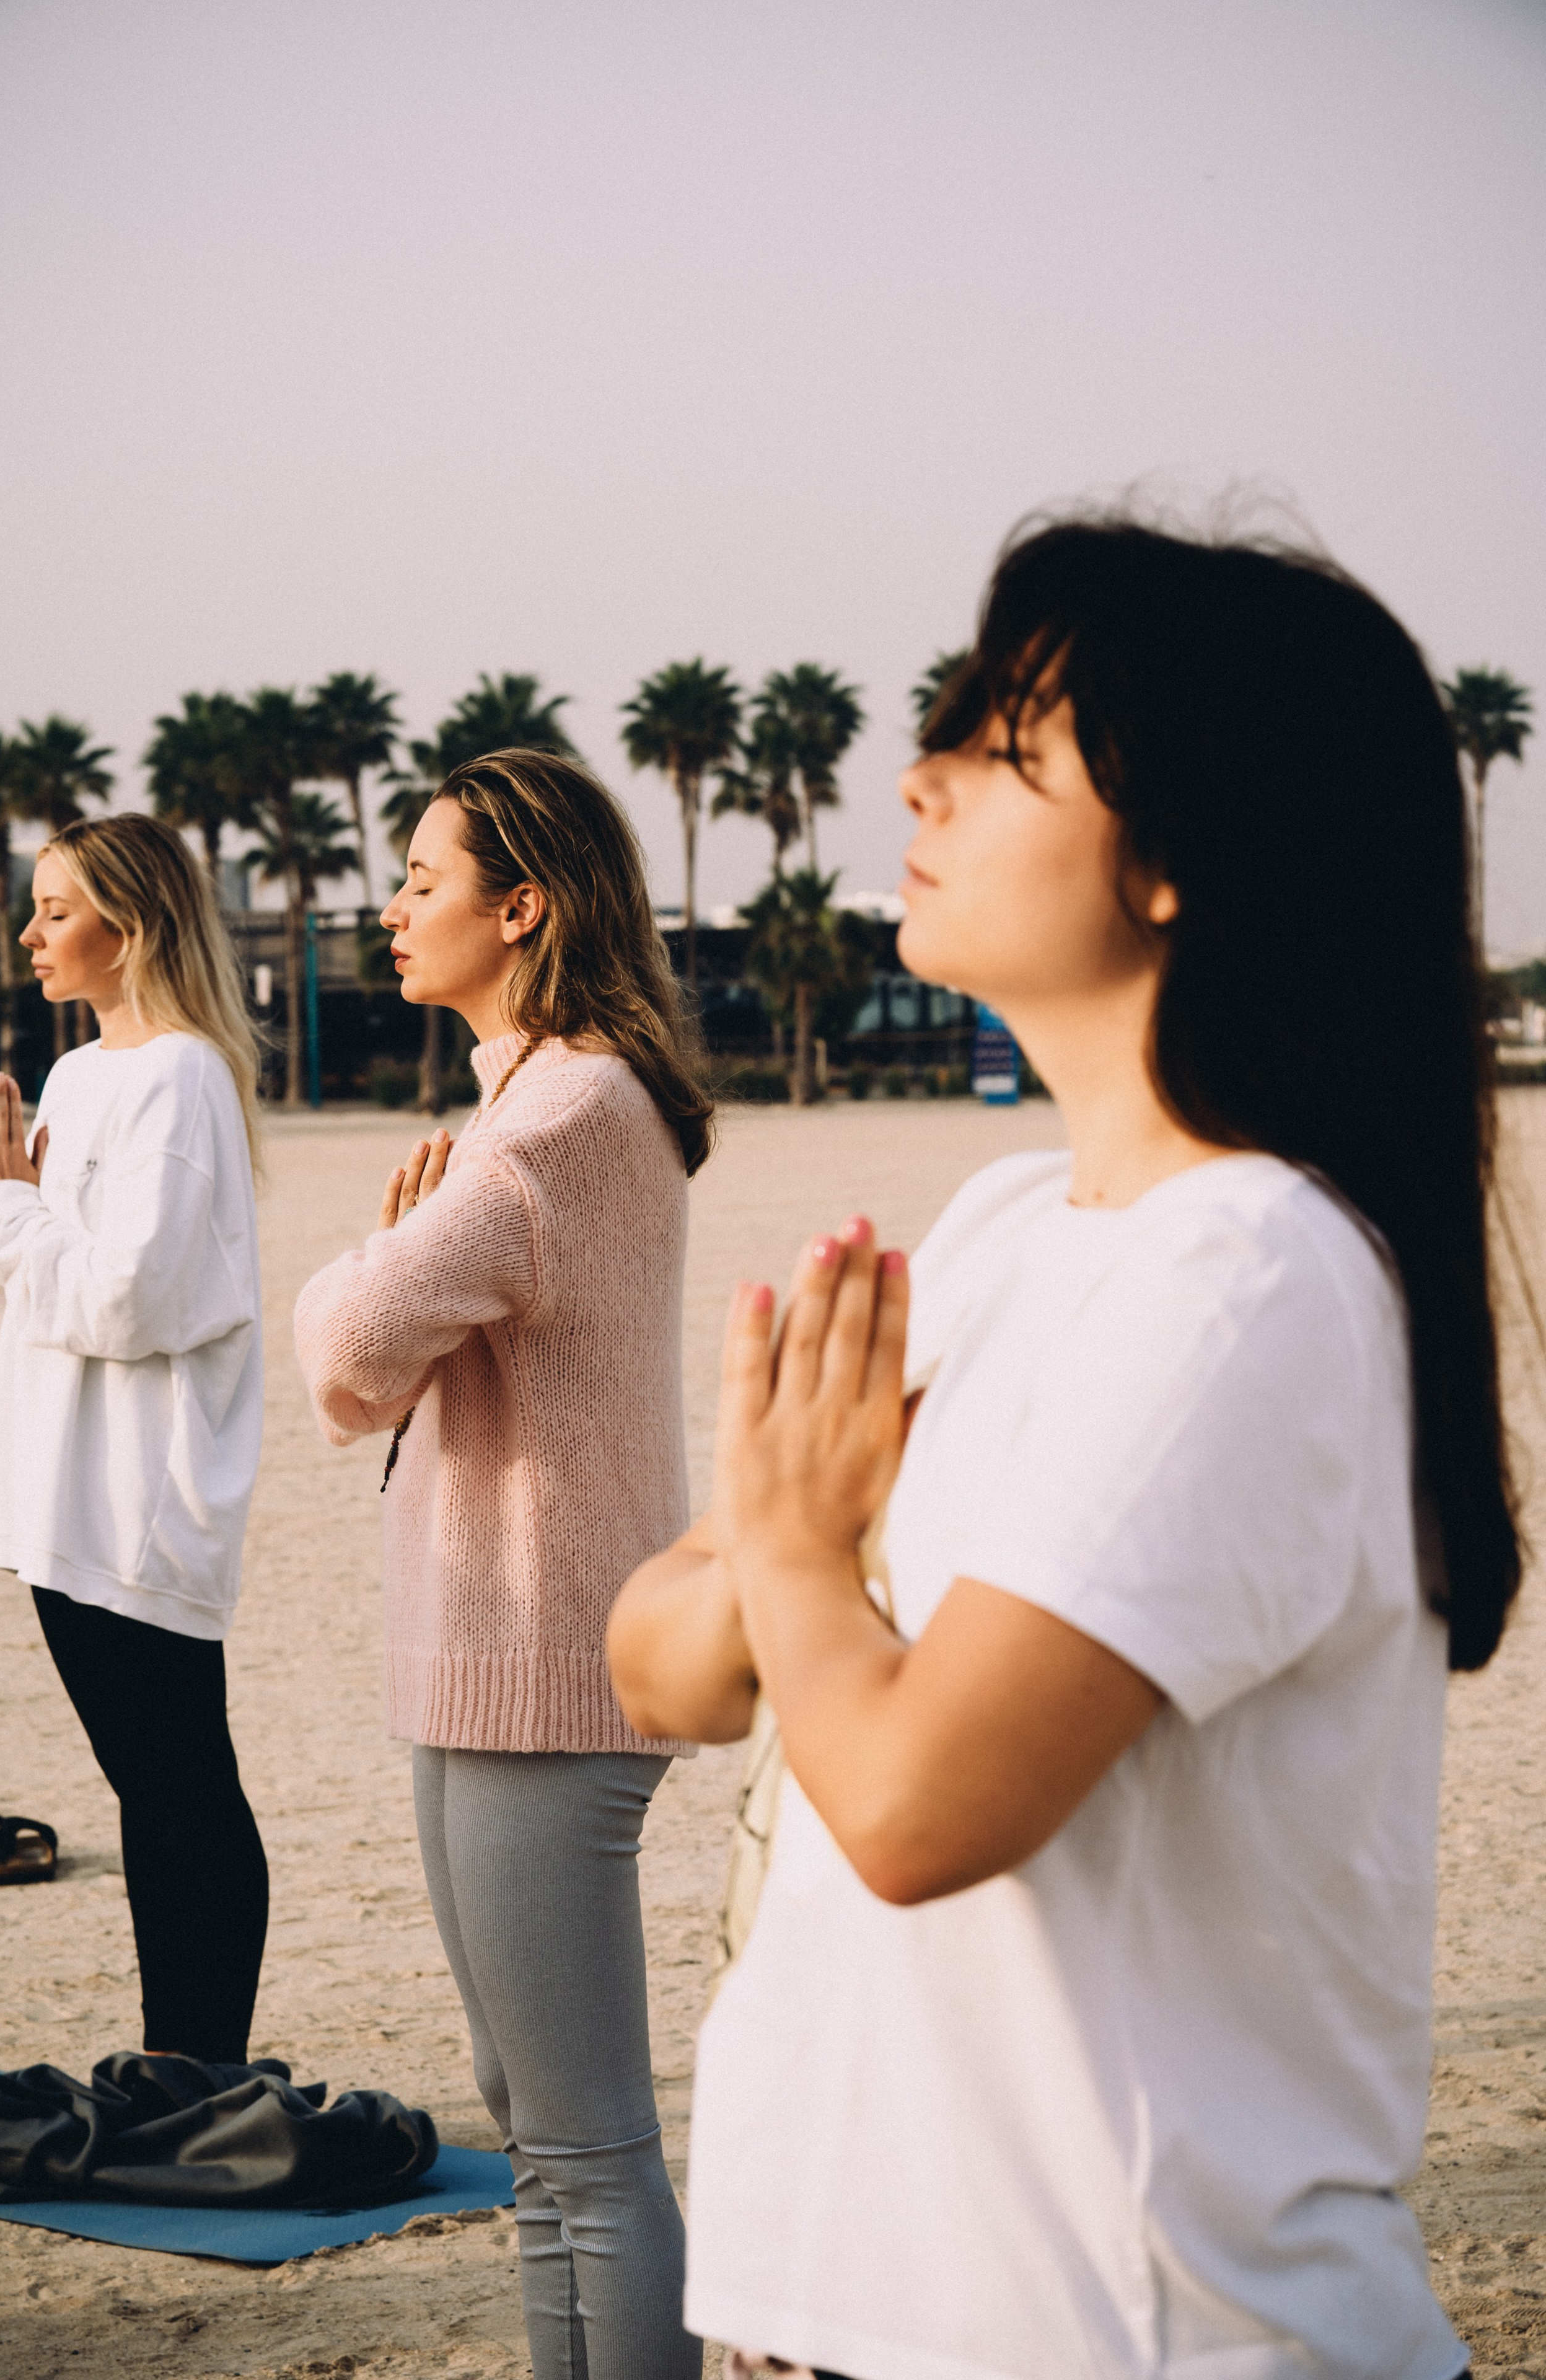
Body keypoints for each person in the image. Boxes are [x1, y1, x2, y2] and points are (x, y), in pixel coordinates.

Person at [607, 519, 1507, 2380]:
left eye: (1004, 749)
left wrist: (794, 1557)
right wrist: (783, 1565)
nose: (917, 779)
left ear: (1178, 854)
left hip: (1129, 2338)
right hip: (840, 2314)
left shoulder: (1252, 1274)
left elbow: (915, 1803)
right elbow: (658, 1669)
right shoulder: (1012, 1227)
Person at [294, 749, 710, 2380]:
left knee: (587, 2148)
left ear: (522, 907)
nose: (393, 908)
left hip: (548, 1662)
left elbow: (348, 1360)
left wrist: (376, 1254)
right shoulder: (529, 1102)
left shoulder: (557, 1118)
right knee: (530, 2121)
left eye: (422, 879)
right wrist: (403, 1262)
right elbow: (388, 1366)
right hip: (491, 1653)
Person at [0, 812, 269, 2065]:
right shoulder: (83, 1075)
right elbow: (9, 1301)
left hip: (139, 1491)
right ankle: (177, 2065)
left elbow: (128, 1300)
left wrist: (4, 1208)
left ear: (130, 928)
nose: (29, 937)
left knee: (179, 1780)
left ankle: (197, 2067)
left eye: (56, 912)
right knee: (149, 1784)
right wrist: (4, 1213)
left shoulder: (182, 1076)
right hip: (57, 1488)